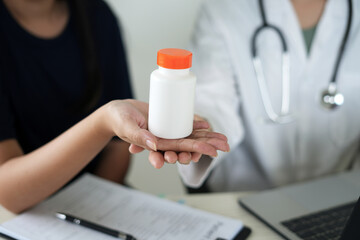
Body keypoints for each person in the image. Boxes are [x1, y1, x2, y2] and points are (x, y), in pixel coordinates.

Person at [0, 0, 230, 213]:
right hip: (29, 214)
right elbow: (8, 192)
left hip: (100, 203)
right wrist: (102, 124)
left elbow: (117, 149)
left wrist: (93, 212)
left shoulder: (95, 14)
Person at [177, 0, 360, 192]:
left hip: (342, 199)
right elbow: (212, 101)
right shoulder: (224, 10)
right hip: (245, 195)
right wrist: (201, 131)